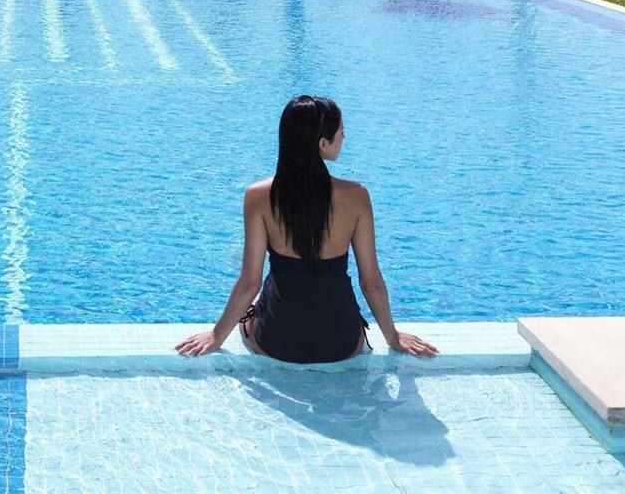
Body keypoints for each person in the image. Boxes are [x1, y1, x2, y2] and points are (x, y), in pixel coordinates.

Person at [176, 95, 438, 363]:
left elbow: (249, 282)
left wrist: (216, 335)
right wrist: (392, 337)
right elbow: (370, 281)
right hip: (341, 342)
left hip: (277, 341)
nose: (344, 137)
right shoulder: (357, 196)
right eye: (340, 133)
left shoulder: (258, 196)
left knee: (255, 303)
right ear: (323, 144)